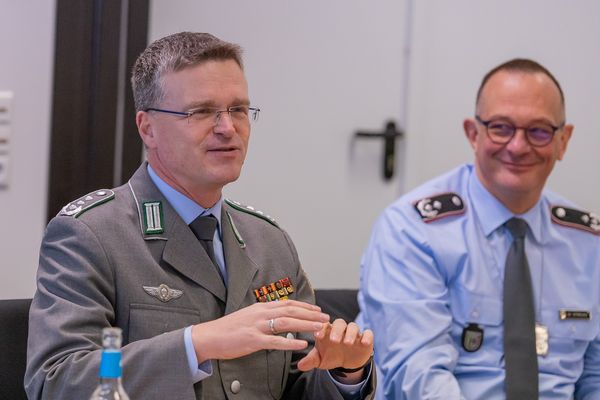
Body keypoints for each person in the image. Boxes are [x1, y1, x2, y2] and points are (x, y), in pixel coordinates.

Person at [25, 32, 375, 399]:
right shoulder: (92, 234)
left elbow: (297, 384)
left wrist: (345, 372)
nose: (228, 128)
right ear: (148, 128)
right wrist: (195, 344)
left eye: (238, 109)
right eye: (202, 111)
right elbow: (57, 381)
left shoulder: (269, 242)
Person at [357, 58, 600, 399]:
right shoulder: (412, 231)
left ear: (563, 140)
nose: (518, 146)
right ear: (473, 133)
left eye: (539, 131)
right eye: (501, 127)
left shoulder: (588, 244)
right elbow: (418, 376)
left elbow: (595, 376)